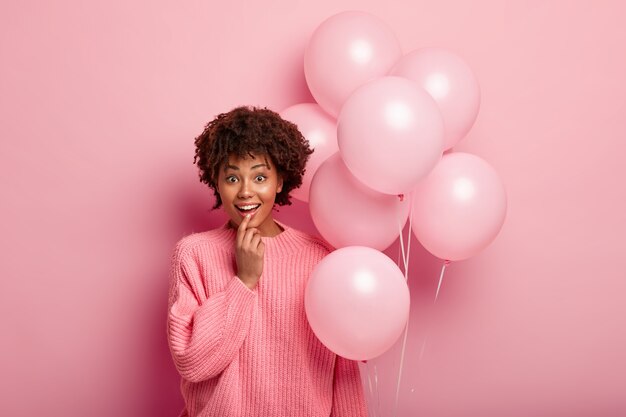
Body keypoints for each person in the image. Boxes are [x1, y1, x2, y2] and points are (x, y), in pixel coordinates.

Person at [166, 106, 368, 417]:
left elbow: (343, 374)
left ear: (279, 181)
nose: (246, 191)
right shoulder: (194, 254)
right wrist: (244, 282)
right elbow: (192, 362)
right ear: (216, 182)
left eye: (259, 176)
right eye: (232, 177)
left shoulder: (319, 258)